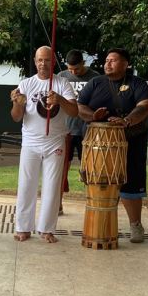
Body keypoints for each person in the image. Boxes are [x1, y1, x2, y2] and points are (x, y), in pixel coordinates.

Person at [76, 48, 148, 242]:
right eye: (106, 60)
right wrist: (92, 116)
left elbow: (146, 106)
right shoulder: (95, 83)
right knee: (100, 183)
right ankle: (101, 224)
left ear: (125, 64)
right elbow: (79, 106)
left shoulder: (137, 83)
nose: (107, 63)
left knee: (131, 184)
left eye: (113, 60)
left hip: (131, 141)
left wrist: (126, 120)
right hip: (98, 143)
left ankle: (135, 224)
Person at [11, 45, 78, 242]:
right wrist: (17, 103)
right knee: (26, 184)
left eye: (47, 60)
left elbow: (74, 112)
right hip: (31, 141)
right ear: (35, 61)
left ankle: (47, 229)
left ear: (53, 62)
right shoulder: (26, 84)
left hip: (55, 140)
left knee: (52, 185)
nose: (43, 63)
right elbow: (16, 117)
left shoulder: (62, 83)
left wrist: (59, 100)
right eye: (40, 60)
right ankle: (23, 227)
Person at [58, 49, 99, 207]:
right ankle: (58, 203)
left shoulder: (95, 78)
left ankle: (91, 203)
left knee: (89, 169)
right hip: (66, 129)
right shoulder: (62, 77)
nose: (73, 72)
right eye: (70, 69)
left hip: (87, 130)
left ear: (83, 63)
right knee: (61, 168)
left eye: (77, 69)